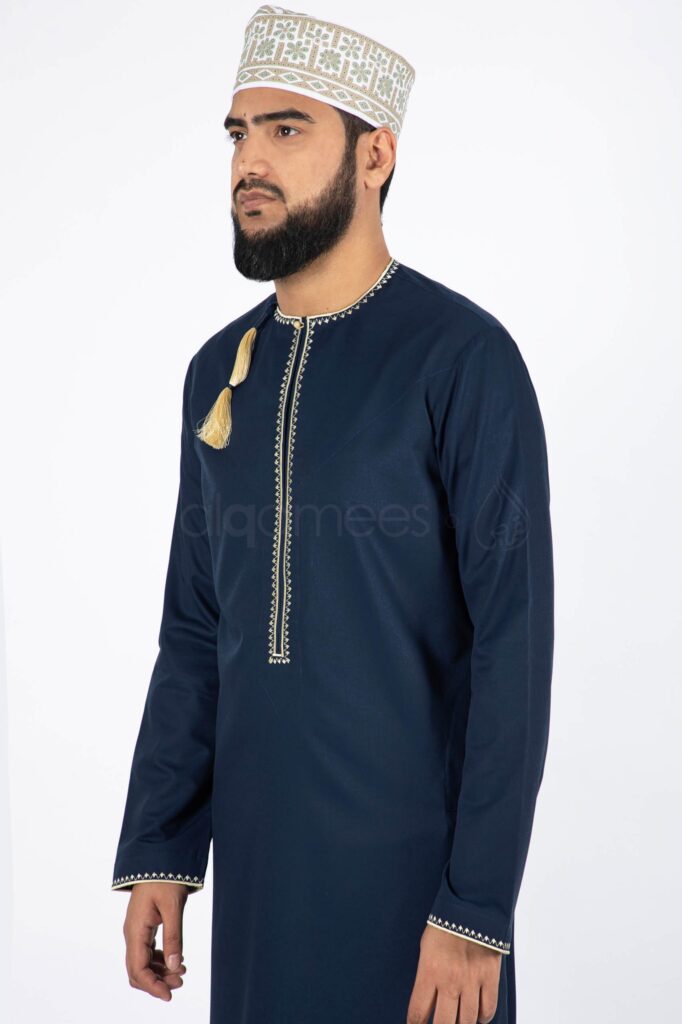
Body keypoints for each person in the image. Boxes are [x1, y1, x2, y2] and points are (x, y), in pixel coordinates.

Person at [111, 6, 554, 1023]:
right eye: (239, 133)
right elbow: (195, 628)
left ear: (375, 155)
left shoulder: (463, 360)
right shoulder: (216, 376)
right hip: (260, 895)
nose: (249, 162)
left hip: (421, 907)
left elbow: (514, 645)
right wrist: (163, 846)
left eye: (286, 129)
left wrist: (475, 907)